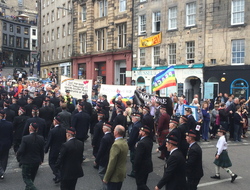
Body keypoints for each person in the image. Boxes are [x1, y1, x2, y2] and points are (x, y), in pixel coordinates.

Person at [17, 123, 45, 190]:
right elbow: (42, 151)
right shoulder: (41, 138)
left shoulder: (25, 138)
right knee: (31, 179)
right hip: (36, 161)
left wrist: (18, 157)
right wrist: (41, 159)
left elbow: (21, 150)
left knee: (26, 178)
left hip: (26, 161)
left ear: (29, 129)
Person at [103, 125, 128, 190]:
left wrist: (106, 177)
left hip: (114, 175)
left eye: (114, 130)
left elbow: (112, 162)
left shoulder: (116, 145)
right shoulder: (124, 142)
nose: (113, 131)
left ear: (116, 132)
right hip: (121, 173)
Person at [44, 116, 66, 184]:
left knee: (51, 163)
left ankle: (58, 175)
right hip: (62, 148)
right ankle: (57, 176)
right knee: (59, 162)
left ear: (55, 121)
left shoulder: (52, 131)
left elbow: (49, 141)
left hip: (54, 149)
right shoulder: (64, 129)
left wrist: (46, 149)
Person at [94, 122, 114, 190]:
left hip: (104, 158)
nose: (102, 128)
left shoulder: (104, 138)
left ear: (106, 129)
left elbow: (101, 150)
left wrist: (96, 160)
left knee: (101, 172)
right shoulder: (112, 135)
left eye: (103, 127)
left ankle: (106, 187)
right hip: (110, 157)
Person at [134, 126, 153, 190]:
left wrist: (135, 167)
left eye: (140, 131)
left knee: (140, 184)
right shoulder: (149, 141)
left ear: (144, 133)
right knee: (143, 182)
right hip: (147, 165)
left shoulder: (141, 143)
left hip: (141, 166)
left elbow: (138, 157)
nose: (139, 132)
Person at [127, 113, 142, 178]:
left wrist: (128, 144)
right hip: (137, 144)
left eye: (133, 117)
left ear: (136, 118)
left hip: (134, 145)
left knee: (133, 159)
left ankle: (134, 172)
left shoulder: (135, 127)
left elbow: (132, 137)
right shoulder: (140, 125)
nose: (132, 118)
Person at [0, 110, 13, 179]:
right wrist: (11, 143)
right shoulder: (9, 124)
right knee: (4, 159)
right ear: (5, 115)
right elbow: (11, 135)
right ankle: (2, 172)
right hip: (6, 143)